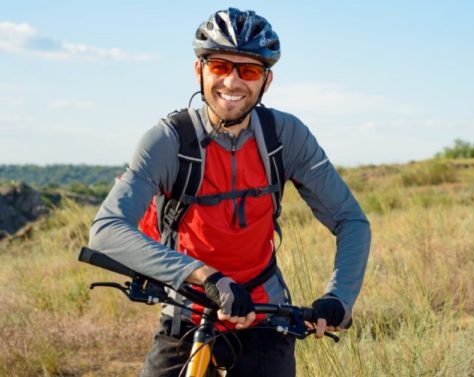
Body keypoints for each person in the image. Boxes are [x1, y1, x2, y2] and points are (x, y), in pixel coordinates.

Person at [88, 8, 371, 377]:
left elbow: (351, 221)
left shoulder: (285, 137)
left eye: (249, 71)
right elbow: (106, 229)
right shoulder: (168, 141)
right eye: (220, 66)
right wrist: (205, 275)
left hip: (264, 310)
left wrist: (339, 298)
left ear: (266, 81)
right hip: (188, 305)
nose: (233, 82)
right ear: (199, 71)